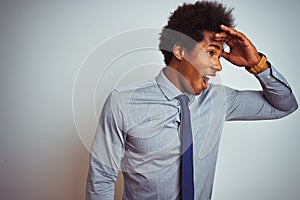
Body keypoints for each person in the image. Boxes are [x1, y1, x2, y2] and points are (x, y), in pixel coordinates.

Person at [86, 1, 298, 200]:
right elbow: (102, 178)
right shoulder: (122, 102)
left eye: (219, 56)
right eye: (211, 53)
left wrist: (256, 64)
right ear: (179, 51)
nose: (218, 66)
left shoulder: (219, 99)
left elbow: (284, 106)